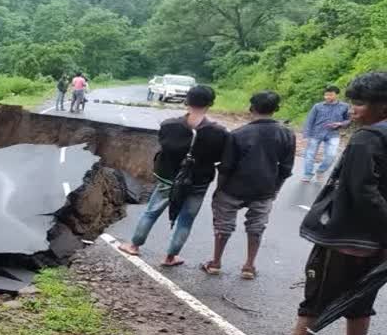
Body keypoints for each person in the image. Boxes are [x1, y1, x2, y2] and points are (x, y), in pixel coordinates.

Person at [259, 72, 387, 335]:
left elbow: (362, 192)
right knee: (359, 300)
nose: (354, 109)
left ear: (382, 106)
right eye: (353, 102)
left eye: (361, 104)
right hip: (379, 243)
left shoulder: (367, 139)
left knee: (315, 299)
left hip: (346, 239)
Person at [118, 86, 228, 266]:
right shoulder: (219, 132)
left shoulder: (169, 125)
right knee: (186, 220)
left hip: (168, 178)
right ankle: (170, 257)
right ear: (211, 103)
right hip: (198, 182)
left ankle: (134, 246)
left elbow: (164, 147)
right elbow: (219, 158)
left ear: (186, 101)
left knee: (151, 212)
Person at [202, 91, 295, 279]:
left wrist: (219, 190)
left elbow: (226, 167)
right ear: (277, 109)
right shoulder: (287, 134)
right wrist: (275, 189)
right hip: (264, 190)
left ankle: (215, 263)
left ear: (251, 108)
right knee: (256, 227)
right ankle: (249, 266)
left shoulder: (238, 134)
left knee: (223, 226)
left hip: (233, 188)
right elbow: (285, 168)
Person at [301, 85, 351, 182]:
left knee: (331, 155)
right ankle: (307, 174)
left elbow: (349, 120)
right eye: (326, 95)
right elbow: (310, 120)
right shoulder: (317, 106)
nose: (327, 97)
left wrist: (340, 124)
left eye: (330, 95)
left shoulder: (344, 106)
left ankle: (321, 171)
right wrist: (306, 134)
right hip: (316, 133)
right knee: (310, 154)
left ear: (336, 95)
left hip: (333, 134)